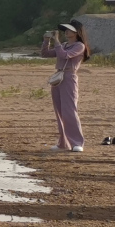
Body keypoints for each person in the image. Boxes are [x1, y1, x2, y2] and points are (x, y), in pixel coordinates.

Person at [39, 19, 90, 152]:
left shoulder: (79, 46)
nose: (66, 32)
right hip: (58, 78)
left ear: (77, 32)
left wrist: (56, 41)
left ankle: (77, 142)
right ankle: (63, 143)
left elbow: (64, 55)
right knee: (60, 112)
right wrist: (46, 40)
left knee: (70, 111)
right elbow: (45, 54)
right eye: (65, 30)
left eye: (69, 29)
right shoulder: (66, 44)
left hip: (69, 78)